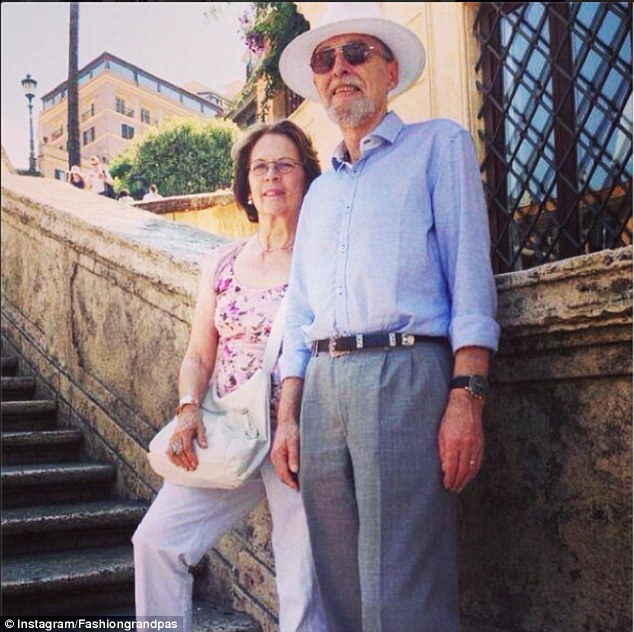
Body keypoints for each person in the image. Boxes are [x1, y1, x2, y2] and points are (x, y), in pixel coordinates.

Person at [271, 3, 501, 632]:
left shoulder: (439, 146)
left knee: (404, 589)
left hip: (405, 374)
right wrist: (288, 414)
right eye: (326, 59)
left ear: (390, 71)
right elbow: (301, 311)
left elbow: (470, 279)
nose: (339, 69)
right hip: (322, 389)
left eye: (356, 53)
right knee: (340, 586)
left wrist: (467, 396)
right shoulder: (319, 192)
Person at [132, 120, 326, 632]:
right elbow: (198, 354)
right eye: (260, 167)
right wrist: (187, 409)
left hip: (297, 433)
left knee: (302, 581)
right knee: (155, 542)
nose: (271, 176)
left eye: (284, 165)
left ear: (306, 176)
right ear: (246, 184)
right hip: (229, 429)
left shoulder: (323, 257)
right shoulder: (221, 261)